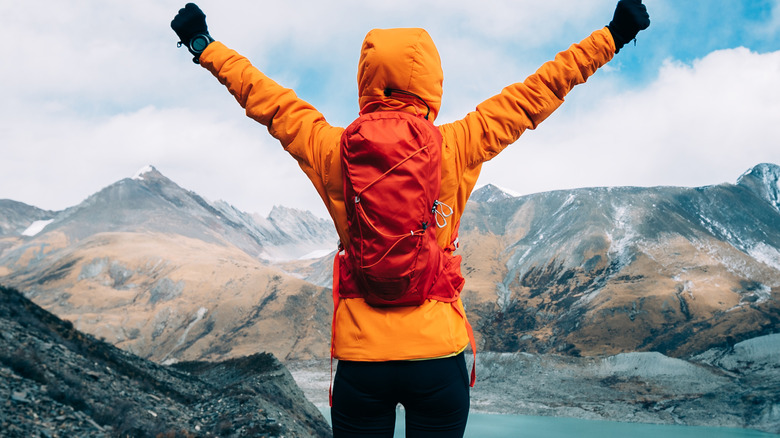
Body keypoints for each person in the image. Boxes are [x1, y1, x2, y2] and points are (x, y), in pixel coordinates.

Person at [171, 2, 650, 437]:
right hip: (436, 358)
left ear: (365, 79)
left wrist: (204, 46)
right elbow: (537, 92)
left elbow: (267, 100)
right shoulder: (459, 143)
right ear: (431, 81)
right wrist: (614, 34)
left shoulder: (328, 148)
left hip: (361, 361)